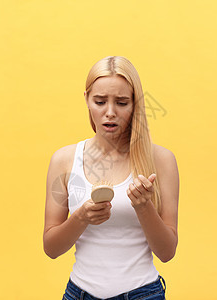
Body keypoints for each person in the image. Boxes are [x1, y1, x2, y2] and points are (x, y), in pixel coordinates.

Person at [43, 56, 179, 299]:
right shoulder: (64, 160)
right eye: (99, 101)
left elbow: (167, 252)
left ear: (135, 104)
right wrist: (81, 217)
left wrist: (144, 206)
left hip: (143, 293)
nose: (110, 112)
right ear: (86, 99)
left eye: (122, 102)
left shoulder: (161, 160)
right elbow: (51, 248)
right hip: (79, 294)